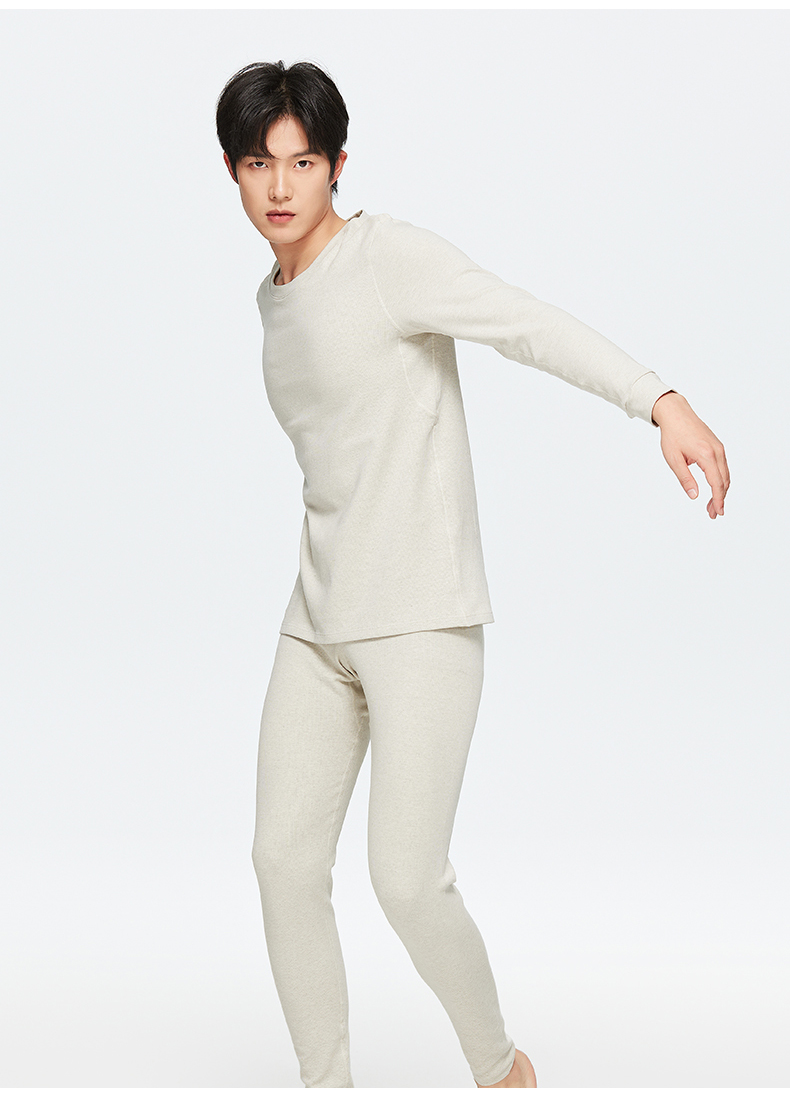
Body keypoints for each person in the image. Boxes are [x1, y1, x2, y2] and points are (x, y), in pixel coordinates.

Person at [214, 60, 729, 1090]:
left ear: (337, 166)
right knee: (281, 863)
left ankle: (501, 1070)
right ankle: (326, 1089)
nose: (280, 186)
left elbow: (522, 321)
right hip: (316, 618)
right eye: (259, 164)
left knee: (406, 880)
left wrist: (658, 399)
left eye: (302, 163)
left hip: (420, 617)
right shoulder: (271, 300)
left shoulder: (386, 258)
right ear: (232, 172)